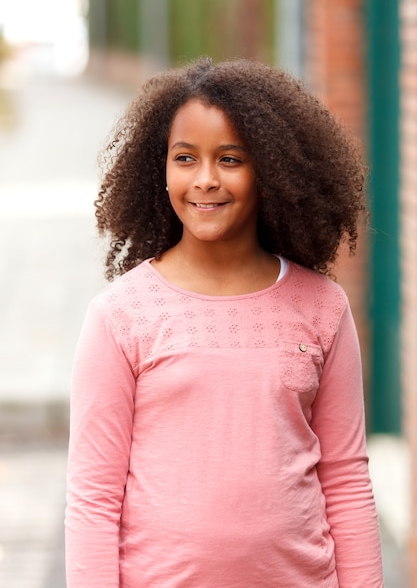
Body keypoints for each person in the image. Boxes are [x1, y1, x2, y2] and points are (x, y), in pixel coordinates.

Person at [65, 57, 384, 587]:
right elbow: (93, 498)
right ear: (159, 169)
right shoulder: (122, 316)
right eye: (184, 158)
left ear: (272, 170)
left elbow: (346, 479)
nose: (206, 179)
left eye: (230, 159)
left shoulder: (323, 308)